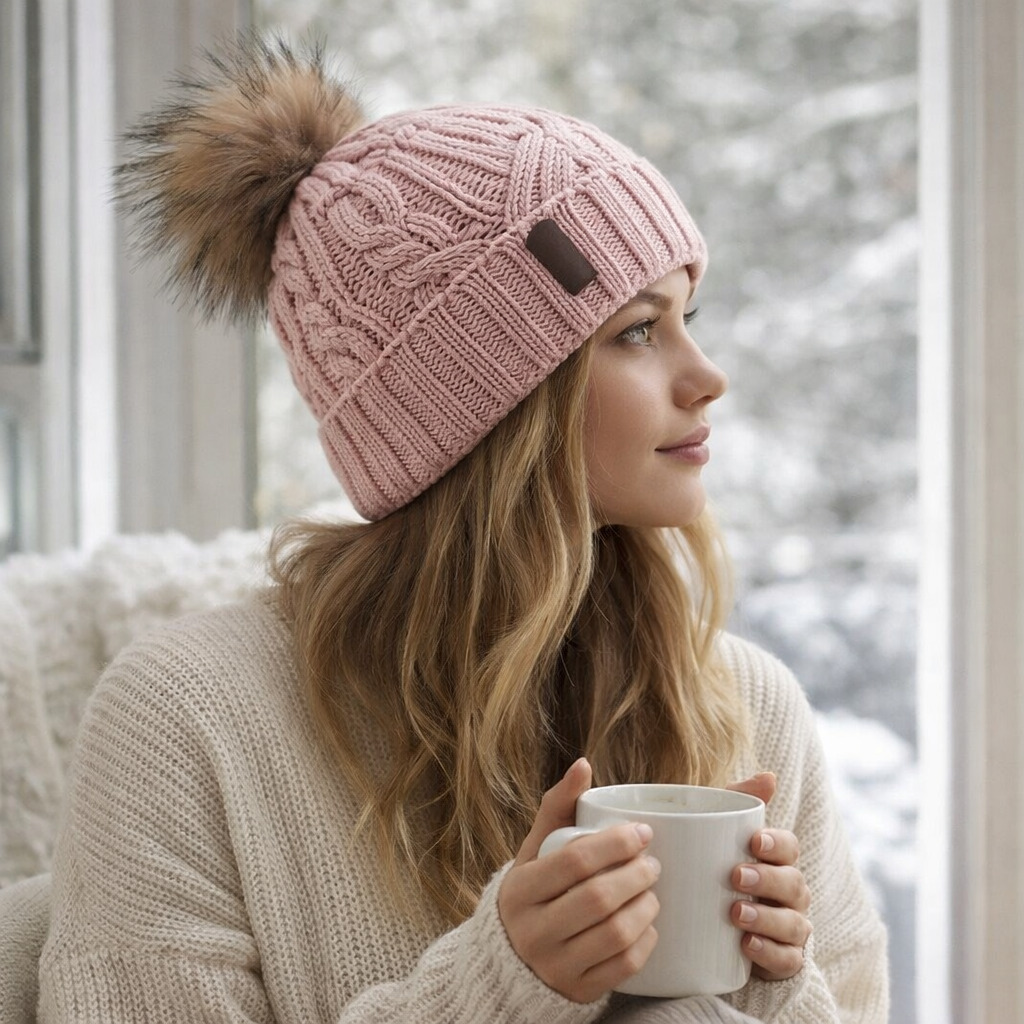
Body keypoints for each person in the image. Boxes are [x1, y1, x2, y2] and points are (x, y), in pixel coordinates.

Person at [38, 36, 889, 1023]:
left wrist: (777, 986)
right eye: (636, 331)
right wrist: (499, 989)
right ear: (489, 407)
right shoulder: (186, 721)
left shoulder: (744, 705)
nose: (708, 377)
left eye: (687, 318)